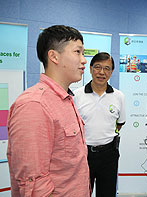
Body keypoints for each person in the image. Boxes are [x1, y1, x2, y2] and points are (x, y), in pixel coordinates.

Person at [6, 25, 90, 196]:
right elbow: (35, 184)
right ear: (54, 56)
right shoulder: (34, 105)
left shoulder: (66, 100)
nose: (84, 60)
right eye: (77, 52)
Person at [74, 52, 126, 197]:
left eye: (107, 68)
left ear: (112, 72)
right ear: (90, 69)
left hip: (109, 154)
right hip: (83, 154)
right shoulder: (76, 96)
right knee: (81, 193)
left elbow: (119, 124)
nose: (102, 72)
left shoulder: (119, 96)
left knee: (107, 193)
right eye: (97, 67)